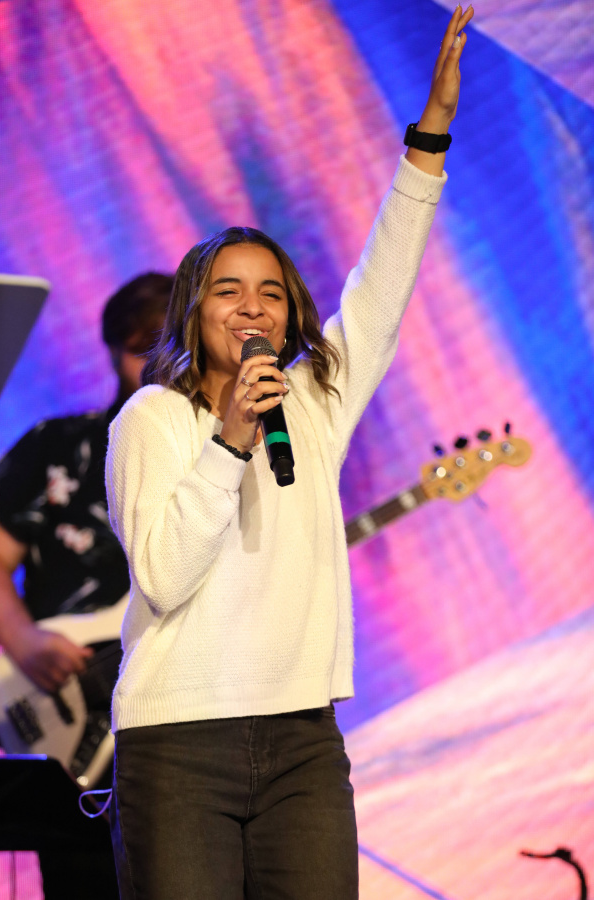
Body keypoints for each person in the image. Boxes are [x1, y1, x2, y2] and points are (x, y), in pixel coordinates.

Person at [106, 9, 473, 900]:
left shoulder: (311, 402)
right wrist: (230, 437)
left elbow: (382, 285)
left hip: (304, 740)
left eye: (270, 292)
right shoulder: (151, 419)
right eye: (227, 291)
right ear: (193, 312)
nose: (252, 307)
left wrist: (428, 138)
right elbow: (163, 574)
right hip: (179, 744)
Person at [0, 272, 172, 900]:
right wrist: (24, 642)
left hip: (184, 729)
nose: (157, 363)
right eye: (141, 346)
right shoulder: (57, 446)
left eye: (173, 343)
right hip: (73, 726)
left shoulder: (225, 456)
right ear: (113, 350)